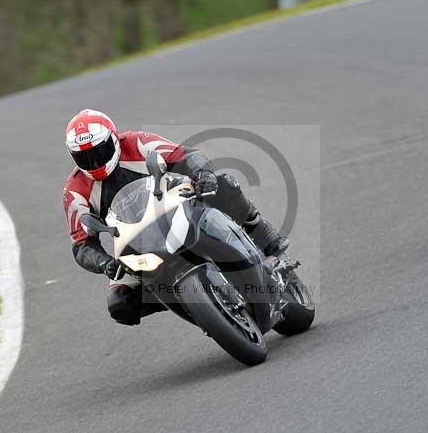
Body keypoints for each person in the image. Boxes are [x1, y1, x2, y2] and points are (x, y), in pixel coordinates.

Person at [62, 109, 290, 326]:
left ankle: (259, 230)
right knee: (120, 303)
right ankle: (195, 305)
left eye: (99, 152)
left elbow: (187, 155)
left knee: (222, 185)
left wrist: (203, 174)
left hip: (176, 206)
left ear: (113, 140)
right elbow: (81, 244)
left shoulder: (137, 142)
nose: (94, 163)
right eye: (85, 158)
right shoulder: (75, 190)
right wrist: (104, 263)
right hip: (135, 243)